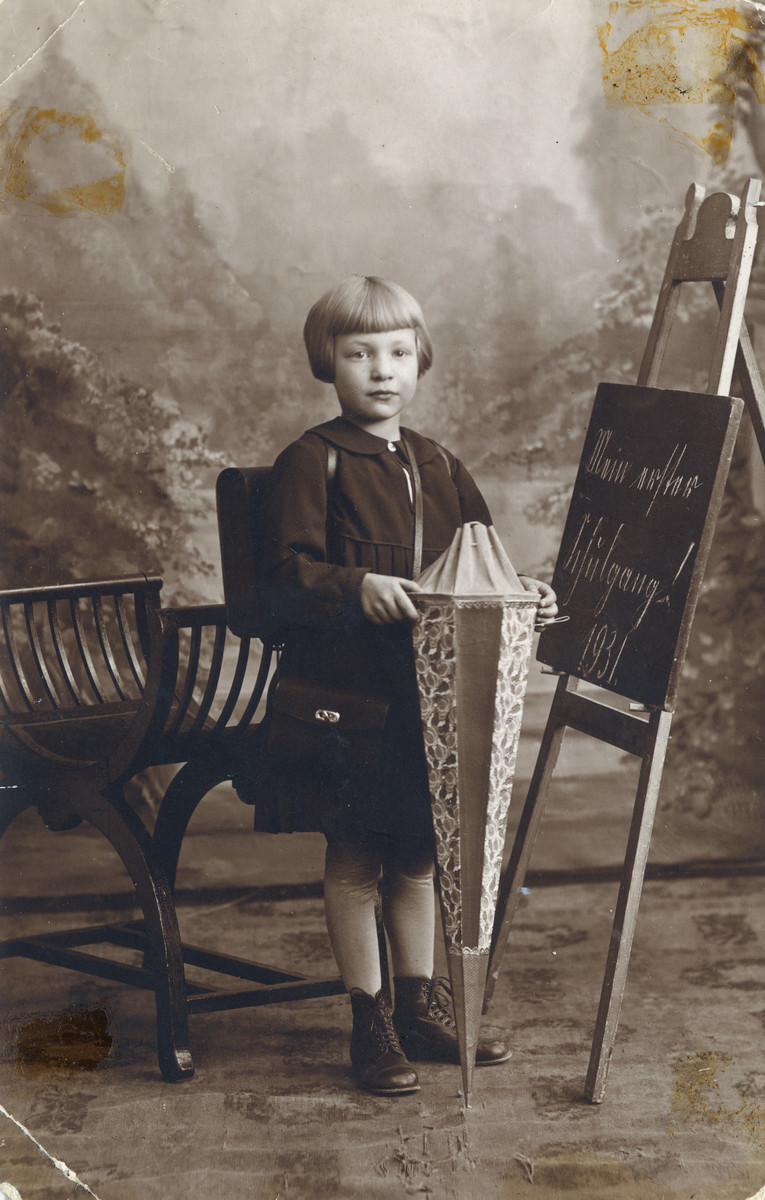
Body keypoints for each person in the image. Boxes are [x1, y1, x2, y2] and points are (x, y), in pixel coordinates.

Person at [246, 275, 557, 1096]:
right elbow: (276, 581)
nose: (380, 371)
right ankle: (368, 1019)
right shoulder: (311, 461)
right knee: (354, 858)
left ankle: (419, 1010)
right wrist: (352, 588)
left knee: (417, 859)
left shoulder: (438, 464)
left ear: (418, 358)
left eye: (394, 352)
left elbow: (482, 561)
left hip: (432, 702)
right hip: (348, 699)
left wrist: (525, 590)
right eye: (358, 354)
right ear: (328, 363)